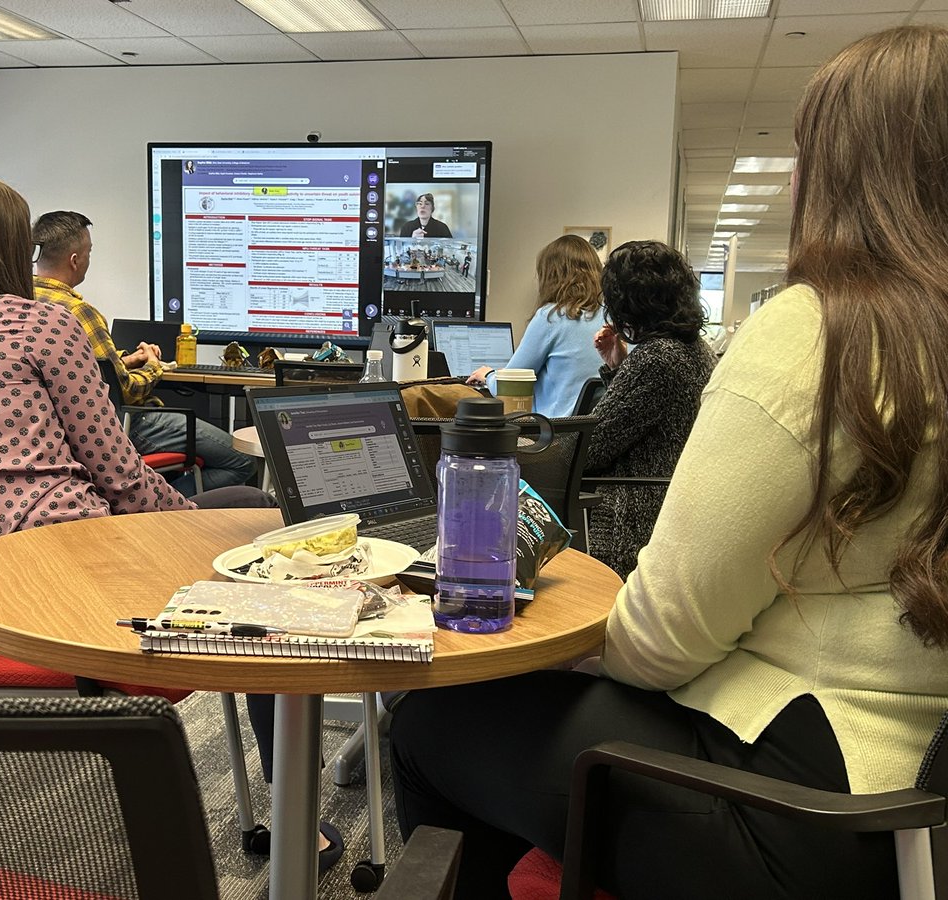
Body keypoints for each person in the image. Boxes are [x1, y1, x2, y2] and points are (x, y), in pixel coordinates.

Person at [389, 24, 948, 899]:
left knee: (430, 720)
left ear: (840, 174)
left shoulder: (816, 334)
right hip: (913, 798)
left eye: (805, 153)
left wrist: (556, 655)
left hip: (802, 808)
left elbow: (659, 643)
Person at [0, 170, 342, 872]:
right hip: (76, 564)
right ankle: (297, 813)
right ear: (1, 244)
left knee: (244, 517)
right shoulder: (38, 322)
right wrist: (189, 529)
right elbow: (120, 477)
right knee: (264, 539)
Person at [30, 211, 254, 496]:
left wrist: (123, 360)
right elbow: (125, 391)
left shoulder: (22, 302)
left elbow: (75, 370)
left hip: (63, 433)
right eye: (89, 253)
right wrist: (152, 365)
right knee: (241, 460)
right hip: (126, 424)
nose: (89, 259)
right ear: (75, 260)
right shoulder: (79, 313)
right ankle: (163, 503)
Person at [583, 240, 716, 579]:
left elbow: (592, 449)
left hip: (629, 525)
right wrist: (617, 366)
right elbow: (638, 420)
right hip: (666, 511)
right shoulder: (695, 349)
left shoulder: (657, 358)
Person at [468, 234, 604, 418]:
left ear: (551, 275)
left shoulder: (552, 316)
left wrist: (488, 375)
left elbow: (510, 386)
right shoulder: (612, 317)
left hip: (554, 437)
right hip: (595, 435)